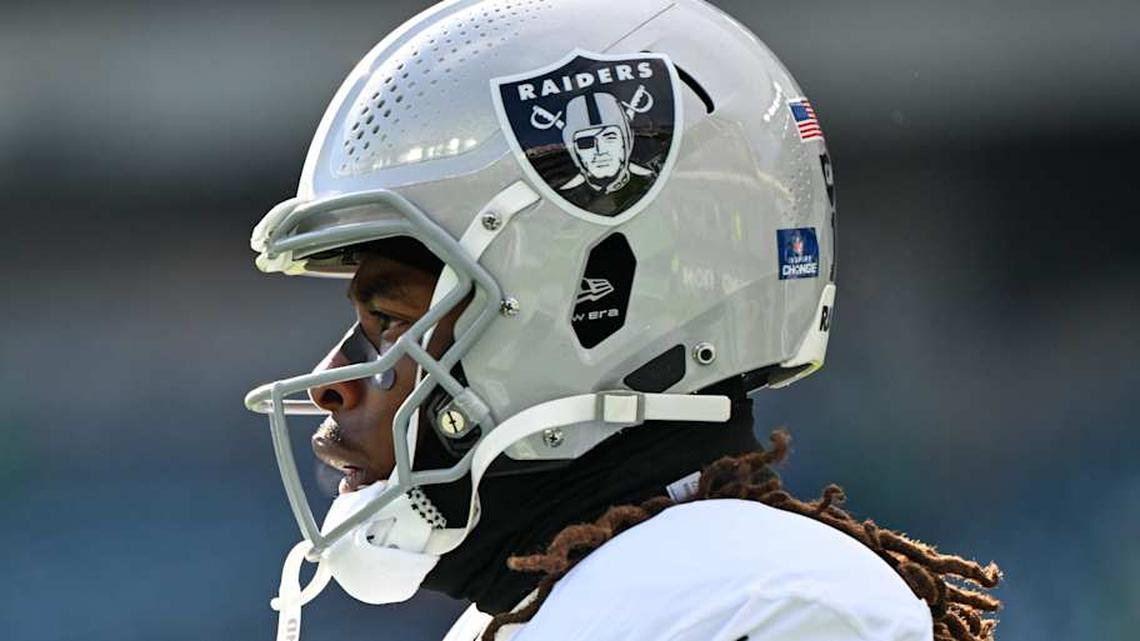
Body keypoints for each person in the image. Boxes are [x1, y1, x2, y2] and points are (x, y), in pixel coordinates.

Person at [242, 1, 1002, 640]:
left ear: (589, 304)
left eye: (388, 317)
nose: (331, 385)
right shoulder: (549, 609)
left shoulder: (759, 602)